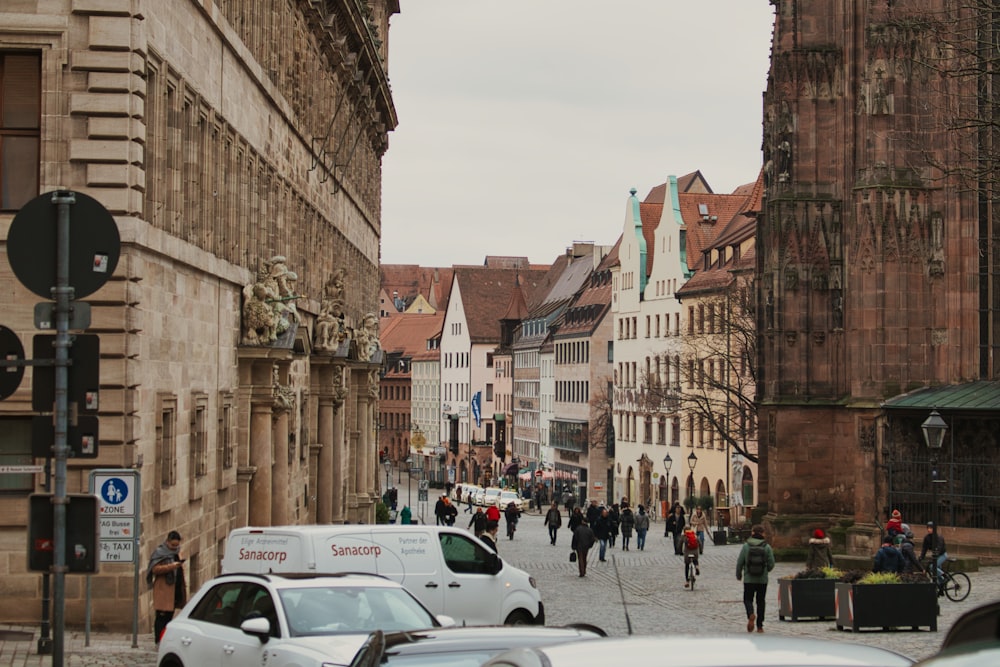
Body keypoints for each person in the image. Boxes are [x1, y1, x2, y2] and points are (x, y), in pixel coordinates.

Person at [146, 530, 186, 645]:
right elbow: (155, 569)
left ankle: (165, 639)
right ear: (167, 542)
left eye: (177, 545)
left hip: (175, 588)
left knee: (169, 616)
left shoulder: (177, 552)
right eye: (173, 545)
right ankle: (158, 639)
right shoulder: (160, 552)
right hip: (163, 589)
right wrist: (171, 566)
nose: (175, 547)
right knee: (161, 617)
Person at [736, 524, 774, 634]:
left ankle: (750, 614)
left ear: (752, 533)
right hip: (762, 579)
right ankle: (760, 626)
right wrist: (766, 571)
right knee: (761, 601)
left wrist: (739, 575)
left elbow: (740, 562)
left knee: (748, 599)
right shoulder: (767, 547)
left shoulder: (746, 546)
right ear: (762, 533)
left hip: (749, 579)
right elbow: (771, 563)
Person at [919, 522, 948, 586]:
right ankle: (941, 588)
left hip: (942, 555)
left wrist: (935, 557)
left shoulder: (939, 537)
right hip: (935, 556)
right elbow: (924, 548)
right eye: (928, 528)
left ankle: (945, 576)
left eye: (931, 528)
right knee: (937, 574)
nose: (929, 529)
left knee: (932, 567)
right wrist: (921, 557)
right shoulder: (927, 538)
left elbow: (939, 548)